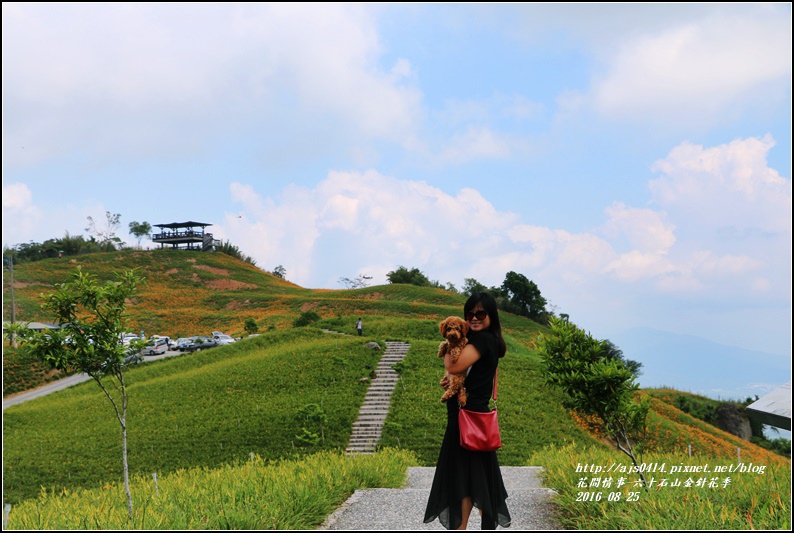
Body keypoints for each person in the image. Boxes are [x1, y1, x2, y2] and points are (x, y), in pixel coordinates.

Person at [424, 292, 511, 530]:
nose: (474, 318)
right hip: (472, 415)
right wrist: (451, 378)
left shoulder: (482, 340)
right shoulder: (488, 340)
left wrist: (449, 364)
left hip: (466, 417)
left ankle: (461, 528)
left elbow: (456, 364)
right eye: (470, 314)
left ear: (491, 315)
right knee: (475, 478)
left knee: (464, 479)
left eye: (480, 313)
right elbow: (470, 373)